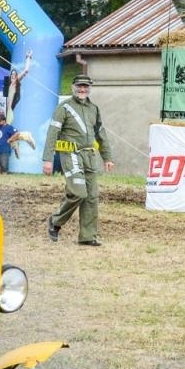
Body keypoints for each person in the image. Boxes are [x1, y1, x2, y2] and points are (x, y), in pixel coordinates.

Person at [41, 76, 114, 245]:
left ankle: (87, 237)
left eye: (85, 86)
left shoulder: (94, 108)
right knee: (78, 193)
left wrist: (107, 157)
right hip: (71, 155)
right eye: (79, 86)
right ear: (73, 87)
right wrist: (48, 159)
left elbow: (101, 134)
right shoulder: (64, 107)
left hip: (89, 157)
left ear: (89, 88)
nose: (82, 89)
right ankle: (55, 221)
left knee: (91, 197)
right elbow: (52, 133)